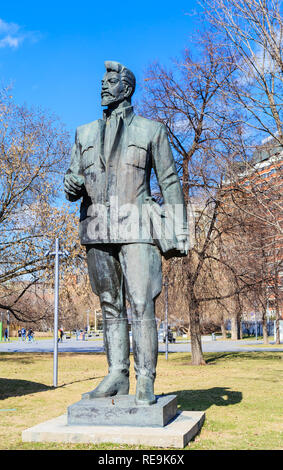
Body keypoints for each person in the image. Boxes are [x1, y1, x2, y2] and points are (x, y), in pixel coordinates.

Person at [64, 61, 189, 405]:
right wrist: (71, 185)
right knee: (109, 305)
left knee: (140, 303)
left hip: (138, 226)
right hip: (97, 227)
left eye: (110, 82)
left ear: (127, 88)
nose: (103, 87)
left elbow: (169, 181)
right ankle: (117, 374)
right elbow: (72, 180)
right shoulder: (84, 133)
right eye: (101, 82)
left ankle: (145, 378)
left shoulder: (152, 130)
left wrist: (178, 233)